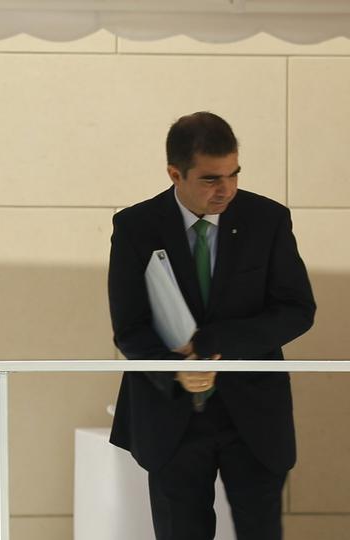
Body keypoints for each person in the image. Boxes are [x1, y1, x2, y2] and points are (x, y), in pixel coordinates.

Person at [107, 111, 315, 540]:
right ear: (175, 173)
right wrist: (175, 370)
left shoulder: (268, 219)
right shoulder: (134, 227)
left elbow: (297, 309)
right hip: (170, 417)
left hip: (254, 415)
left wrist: (218, 343)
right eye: (210, 179)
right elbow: (129, 327)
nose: (227, 189)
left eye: (234, 174)